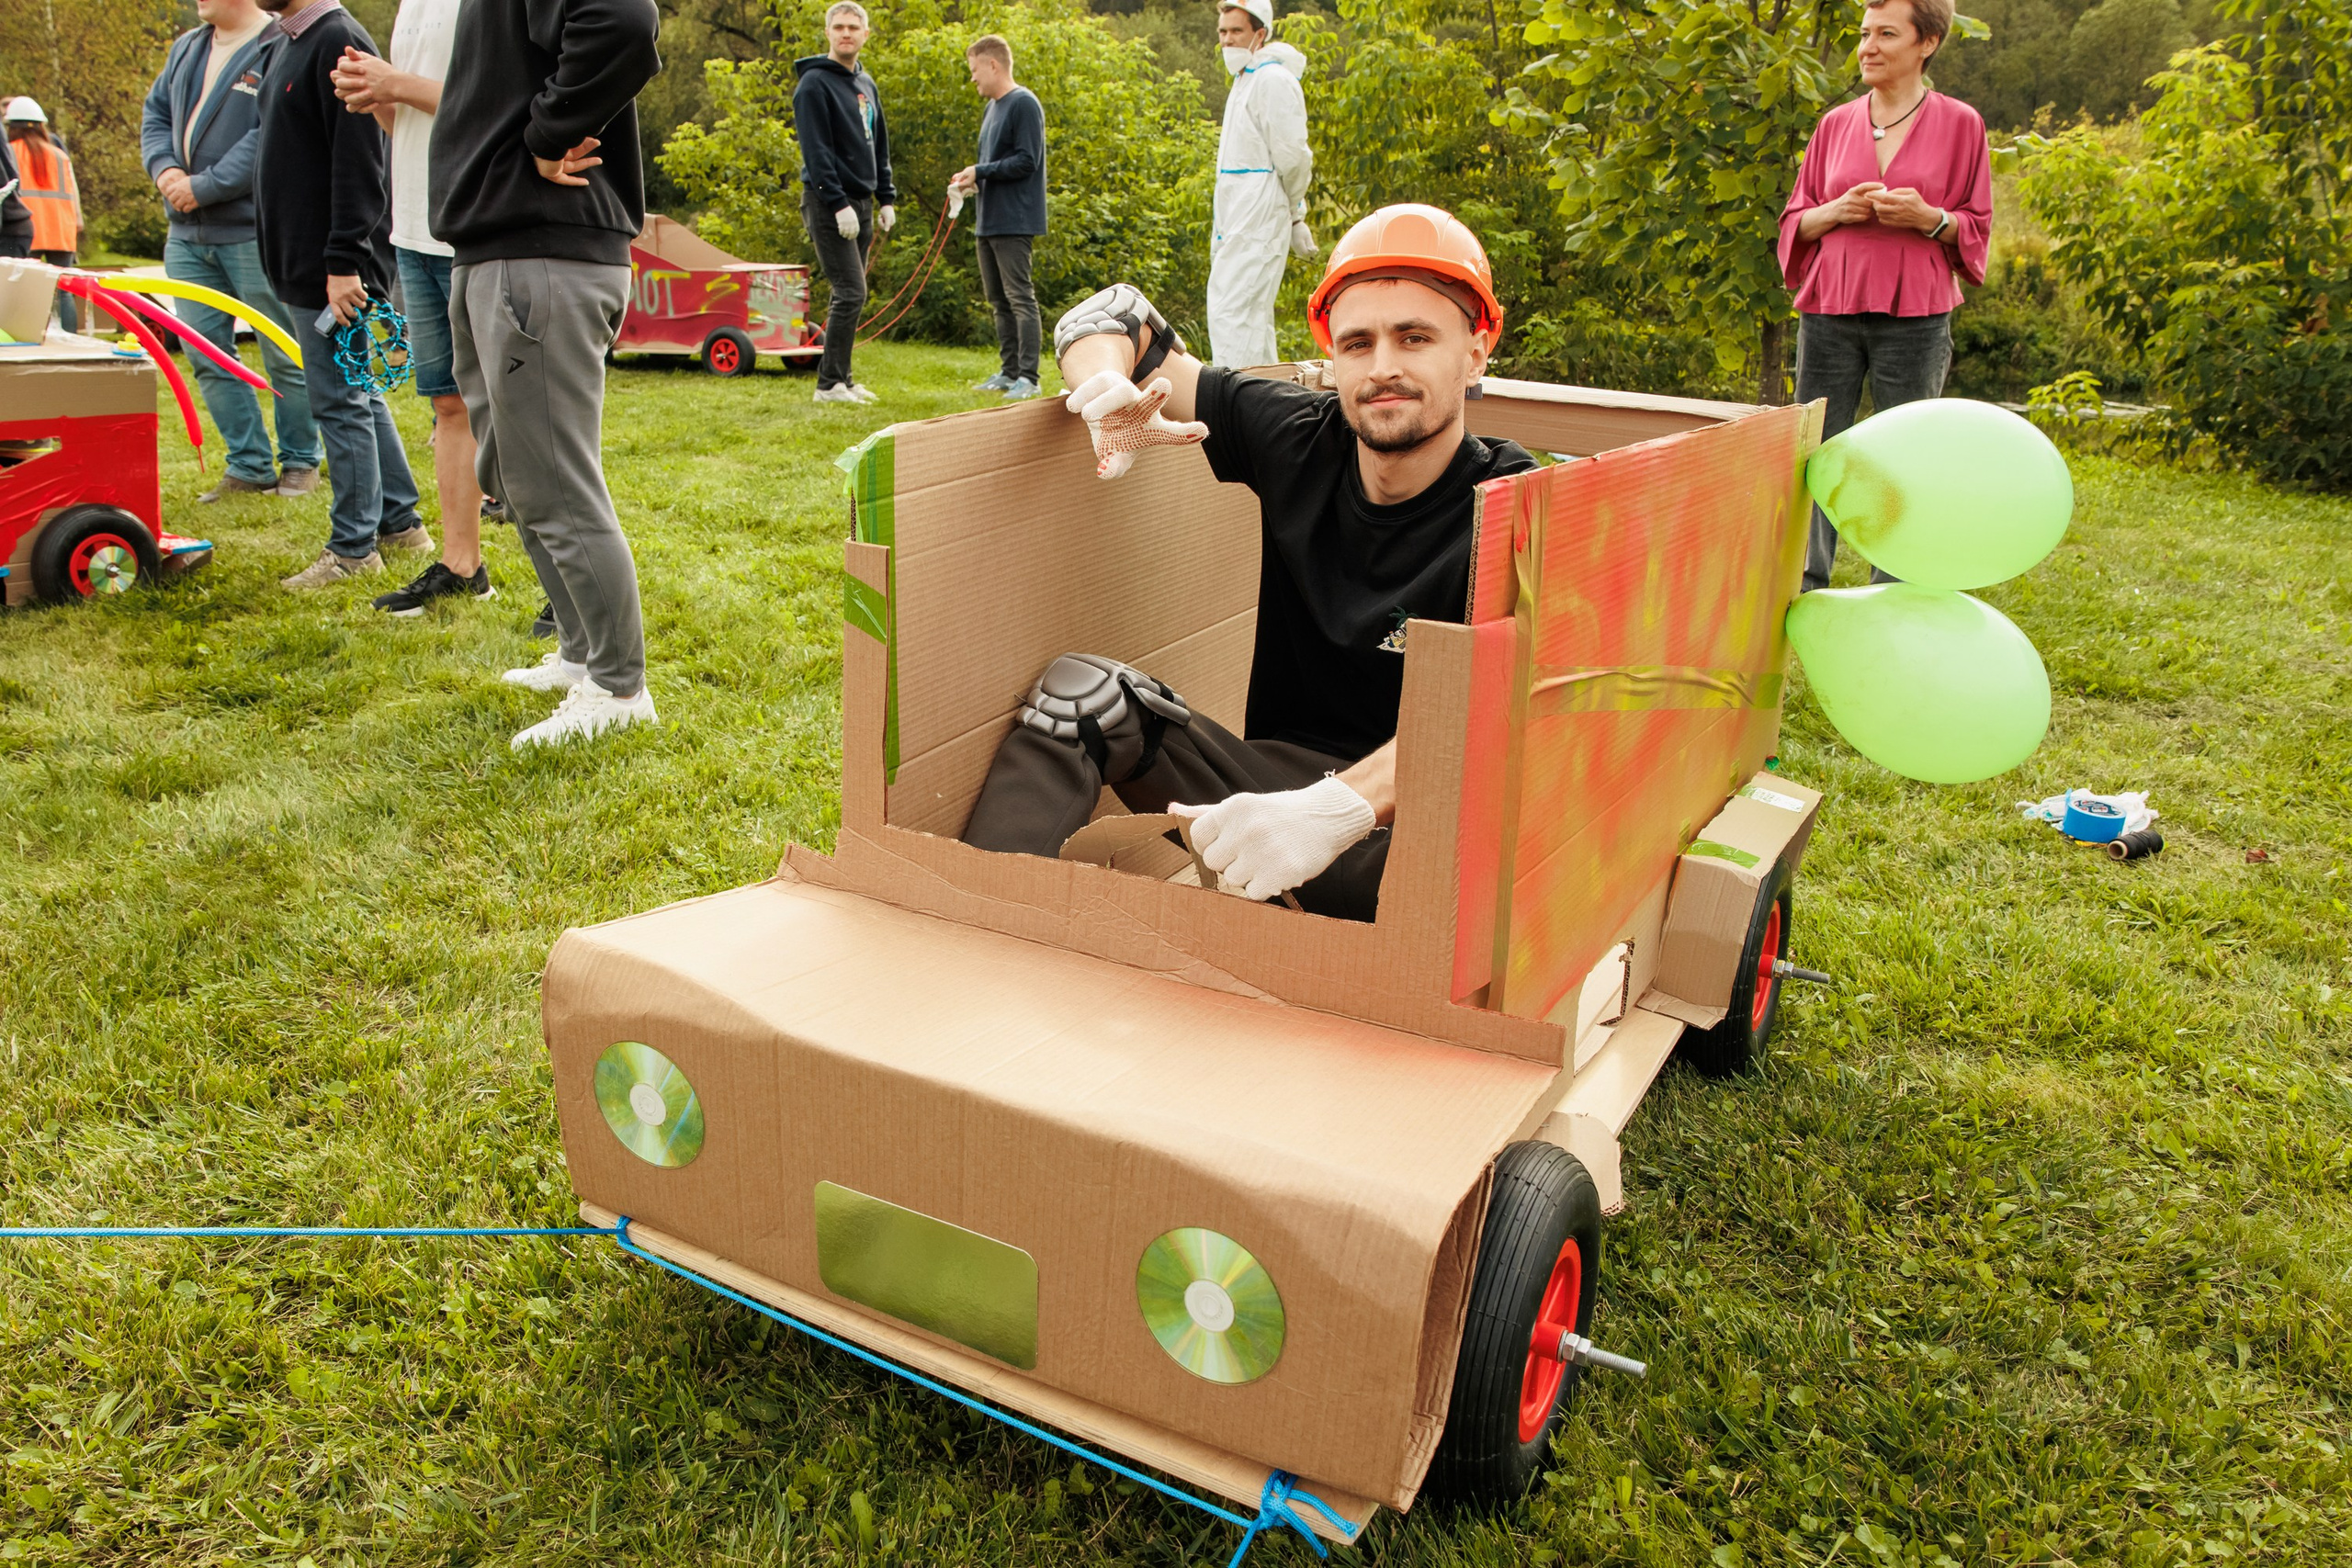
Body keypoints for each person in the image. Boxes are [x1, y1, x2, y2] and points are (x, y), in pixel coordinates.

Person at [961, 204, 1527, 919]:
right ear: (1333, 356)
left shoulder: (1516, 505)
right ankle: (965, 931)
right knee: (1082, 696)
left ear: (1475, 352)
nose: (1384, 366)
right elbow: (1114, 316)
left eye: (1415, 338)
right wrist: (1106, 388)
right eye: (1358, 343)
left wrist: (1337, 810)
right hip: (1264, 816)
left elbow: (1514, 709)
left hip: (1423, 849)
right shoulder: (1298, 437)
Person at [432, 0, 663, 750]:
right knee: (514, 474)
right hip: (494, 242)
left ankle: (619, 687)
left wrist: (548, 133)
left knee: (556, 482)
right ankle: (581, 653)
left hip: (544, 244)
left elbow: (624, 20)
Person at [1778, 0, 1989, 592]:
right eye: (1865, 33)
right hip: (1830, 306)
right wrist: (1835, 211)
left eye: (1886, 34)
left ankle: (1895, 589)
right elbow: (1795, 221)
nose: (1868, 47)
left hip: (1917, 314)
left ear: (1928, 43)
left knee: (1906, 453)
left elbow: (1975, 226)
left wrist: (1930, 218)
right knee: (1816, 449)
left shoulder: (1962, 124)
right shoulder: (1834, 124)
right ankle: (1805, 584)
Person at [254, 0, 427, 592]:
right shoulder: (284, 42)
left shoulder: (338, 40)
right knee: (358, 393)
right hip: (309, 263)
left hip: (333, 268)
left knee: (339, 402)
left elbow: (362, 163)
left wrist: (344, 261)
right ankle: (400, 523)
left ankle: (354, 548)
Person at [328, 0, 493, 618]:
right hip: (415, 233)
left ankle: (569, 580)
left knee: (520, 411)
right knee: (448, 405)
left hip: (477, 228)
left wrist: (395, 82)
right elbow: (417, 128)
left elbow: (495, 108)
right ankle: (462, 566)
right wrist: (377, 99)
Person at [141, 0, 324, 503]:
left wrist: (206, 186)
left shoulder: (278, 44)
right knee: (206, 355)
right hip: (186, 236)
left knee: (282, 350)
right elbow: (155, 116)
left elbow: (272, 133)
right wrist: (165, 171)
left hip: (253, 231)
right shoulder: (187, 47)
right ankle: (248, 466)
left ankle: (301, 461)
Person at [793, 2, 896, 405]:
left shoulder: (865, 84)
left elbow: (879, 144)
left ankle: (843, 380)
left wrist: (885, 197)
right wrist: (836, 203)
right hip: (828, 202)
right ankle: (828, 385)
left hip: (863, 201)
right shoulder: (814, 85)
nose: (846, 33)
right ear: (828, 33)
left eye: (853, 27)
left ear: (865, 34)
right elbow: (816, 152)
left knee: (850, 294)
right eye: (838, 27)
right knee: (851, 290)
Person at [1205, 0, 1314, 370]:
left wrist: (1295, 213)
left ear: (1260, 33)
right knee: (1246, 320)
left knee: (1235, 318)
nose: (1227, 40)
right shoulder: (1246, 79)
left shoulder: (1273, 80)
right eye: (1223, 31)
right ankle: (1265, 400)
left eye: (1237, 31)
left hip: (1258, 217)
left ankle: (1238, 402)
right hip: (1238, 219)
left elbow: (1293, 157)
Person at [948, 35, 1045, 401]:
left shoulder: (1024, 103)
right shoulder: (992, 108)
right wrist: (973, 181)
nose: (972, 77)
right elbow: (995, 166)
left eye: (975, 69)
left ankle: (1029, 378)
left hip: (1015, 220)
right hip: (987, 219)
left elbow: (1027, 160)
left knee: (1020, 298)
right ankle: (1008, 373)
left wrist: (981, 170)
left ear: (993, 65)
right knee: (998, 300)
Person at [5, 100, 84, 331]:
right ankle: (70, 338)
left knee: (25, 289)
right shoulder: (59, 155)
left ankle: (29, 336)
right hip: (61, 228)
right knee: (65, 291)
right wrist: (77, 221)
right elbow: (73, 191)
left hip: (29, 228)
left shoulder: (10, 152)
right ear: (41, 126)